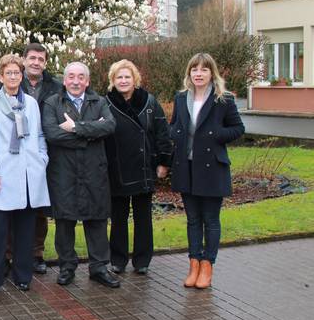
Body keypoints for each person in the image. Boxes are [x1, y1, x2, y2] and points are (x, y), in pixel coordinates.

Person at [169, 53, 244, 289]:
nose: (198, 74)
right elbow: (174, 126)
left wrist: (214, 136)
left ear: (212, 73)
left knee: (210, 220)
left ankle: (207, 266)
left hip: (212, 167)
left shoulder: (224, 99)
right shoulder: (181, 98)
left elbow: (238, 128)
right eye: (194, 69)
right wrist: (175, 136)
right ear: (189, 73)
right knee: (192, 220)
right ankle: (193, 264)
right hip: (187, 167)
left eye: (203, 70)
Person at [42, 61, 119, 288]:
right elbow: (52, 133)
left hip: (94, 171)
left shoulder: (100, 102)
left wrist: (75, 128)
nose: (76, 81)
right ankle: (67, 267)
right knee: (65, 221)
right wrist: (91, 132)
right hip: (63, 172)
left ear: (87, 81)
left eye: (81, 77)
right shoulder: (52, 103)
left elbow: (109, 127)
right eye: (71, 77)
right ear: (64, 80)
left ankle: (98, 268)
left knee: (96, 219)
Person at [0, 54, 51, 299]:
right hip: (4, 175)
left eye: (17, 73)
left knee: (25, 231)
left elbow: (40, 135)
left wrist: (42, 159)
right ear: (1, 76)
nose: (13, 77)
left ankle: (23, 276)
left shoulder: (30, 103)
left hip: (30, 173)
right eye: (8, 73)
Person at [0, 43, 63, 275]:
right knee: (10, 206)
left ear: (45, 62)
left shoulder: (56, 86)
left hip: (44, 153)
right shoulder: (12, 81)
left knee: (37, 207)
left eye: (41, 59)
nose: (36, 62)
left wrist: (43, 156)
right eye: (32, 58)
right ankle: (7, 255)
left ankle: (36, 253)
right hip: (13, 157)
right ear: (24, 60)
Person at [104, 59, 172, 275]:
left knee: (144, 217)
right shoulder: (105, 103)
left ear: (135, 79)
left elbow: (162, 133)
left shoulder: (150, 102)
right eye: (119, 77)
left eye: (127, 77)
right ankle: (118, 259)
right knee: (118, 218)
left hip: (144, 167)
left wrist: (163, 162)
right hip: (116, 168)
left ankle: (142, 260)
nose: (123, 81)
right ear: (112, 81)